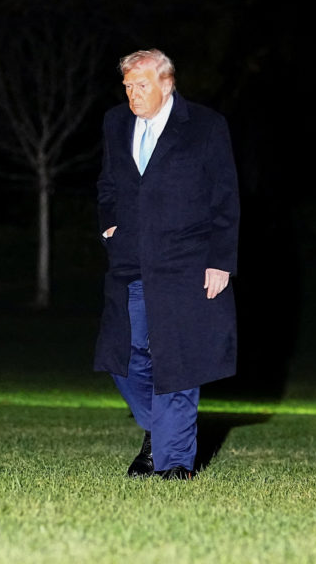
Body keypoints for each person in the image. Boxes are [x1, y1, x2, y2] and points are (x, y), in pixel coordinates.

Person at [93, 48, 240, 480]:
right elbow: (107, 184)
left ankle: (174, 462)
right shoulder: (115, 123)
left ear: (167, 83)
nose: (133, 95)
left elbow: (225, 198)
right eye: (127, 87)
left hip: (186, 263)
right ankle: (160, 433)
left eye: (142, 86)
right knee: (126, 359)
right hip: (130, 263)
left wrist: (221, 262)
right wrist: (108, 225)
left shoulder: (206, 127)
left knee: (176, 359)